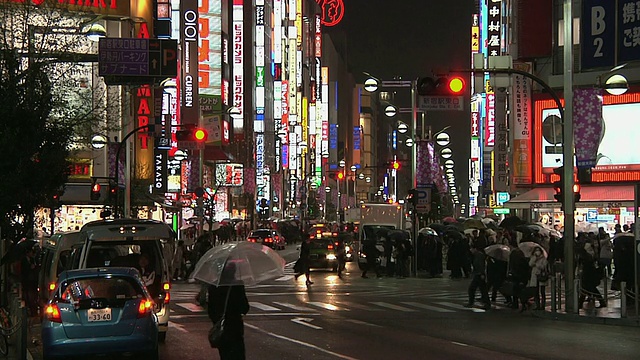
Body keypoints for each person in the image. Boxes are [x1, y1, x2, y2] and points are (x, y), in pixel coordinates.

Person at [207, 263, 250, 360]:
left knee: (225, 355)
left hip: (222, 328)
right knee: (238, 354)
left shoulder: (214, 287)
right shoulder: (237, 286)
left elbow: (211, 310)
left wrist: (216, 321)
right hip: (236, 327)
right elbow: (245, 307)